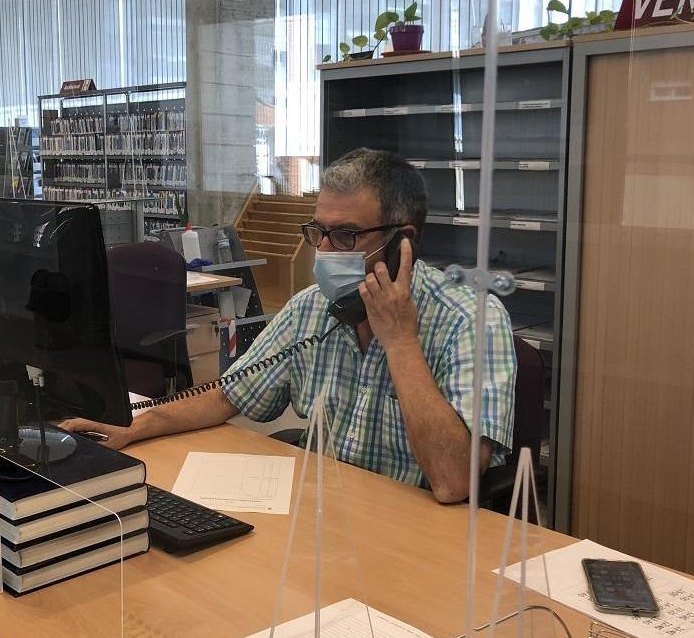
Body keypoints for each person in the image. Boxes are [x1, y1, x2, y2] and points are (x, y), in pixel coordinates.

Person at [62, 148, 516, 503]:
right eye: (317, 231)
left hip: (419, 536)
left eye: (345, 235)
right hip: (328, 516)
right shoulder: (312, 308)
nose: (324, 250)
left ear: (403, 241)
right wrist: (135, 427)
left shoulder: (470, 320)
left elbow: (454, 481)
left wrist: (399, 340)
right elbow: (226, 395)